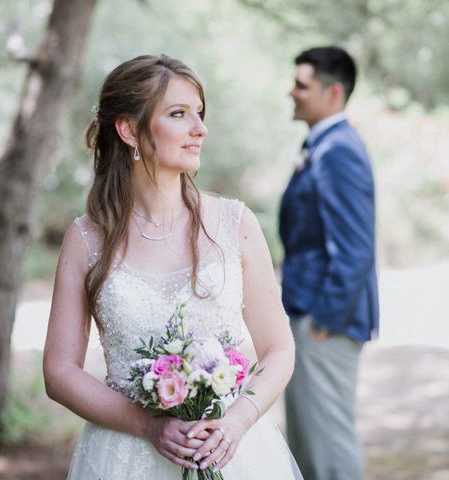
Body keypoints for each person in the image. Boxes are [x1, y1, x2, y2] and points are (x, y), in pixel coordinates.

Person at [43, 54, 303, 479]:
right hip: (124, 456)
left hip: (234, 452)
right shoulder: (87, 239)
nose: (200, 129)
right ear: (129, 130)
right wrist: (147, 425)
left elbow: (279, 349)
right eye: (179, 114)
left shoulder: (234, 224)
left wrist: (237, 420)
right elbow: (59, 372)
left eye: (199, 114)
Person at [280, 46, 380, 480]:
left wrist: (323, 319)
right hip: (310, 313)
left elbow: (355, 248)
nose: (292, 92)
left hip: (325, 323)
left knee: (328, 450)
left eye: (302, 85)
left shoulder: (338, 150)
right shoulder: (324, 145)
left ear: (333, 92)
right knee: (308, 446)